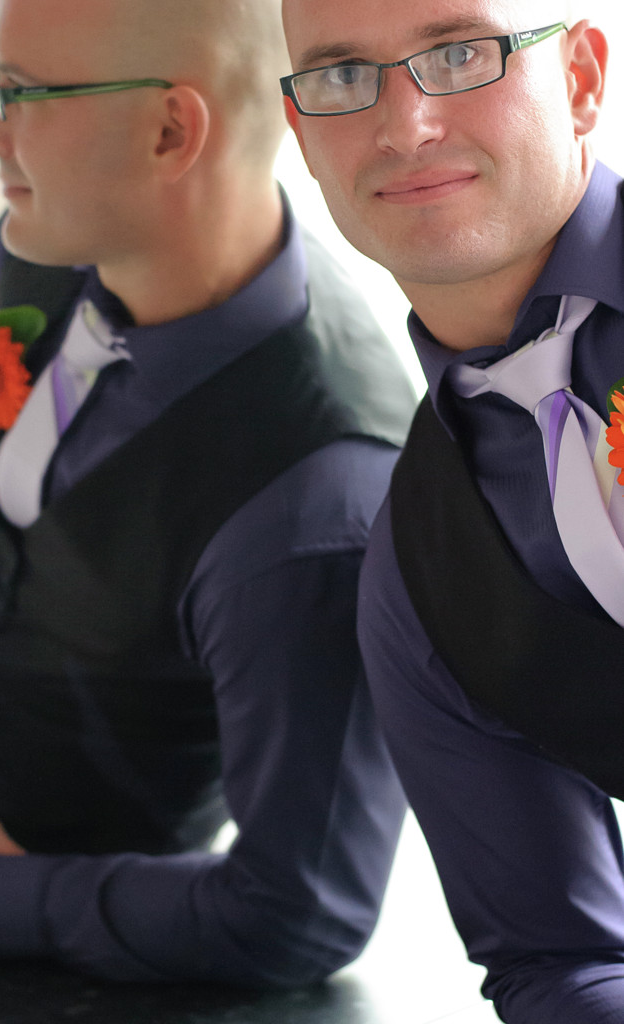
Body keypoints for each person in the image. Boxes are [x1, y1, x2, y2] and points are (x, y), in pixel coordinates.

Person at [0, 0, 417, 989]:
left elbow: (301, 910)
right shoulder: (52, 242)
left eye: (21, 94)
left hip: (63, 951)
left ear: (170, 131)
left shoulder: (314, 505)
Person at [283, 0, 624, 1019]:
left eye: (461, 53)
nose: (405, 125)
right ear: (301, 136)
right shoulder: (417, 573)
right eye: (344, 76)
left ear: (579, 78)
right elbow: (560, 961)